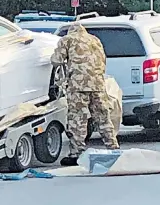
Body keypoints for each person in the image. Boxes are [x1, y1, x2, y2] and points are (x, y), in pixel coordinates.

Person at [51, 22, 119, 166]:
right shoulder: (95, 40)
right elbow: (103, 60)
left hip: (78, 86)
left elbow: (56, 61)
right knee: (103, 117)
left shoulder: (67, 40)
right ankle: (113, 147)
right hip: (98, 84)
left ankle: (77, 153)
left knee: (78, 119)